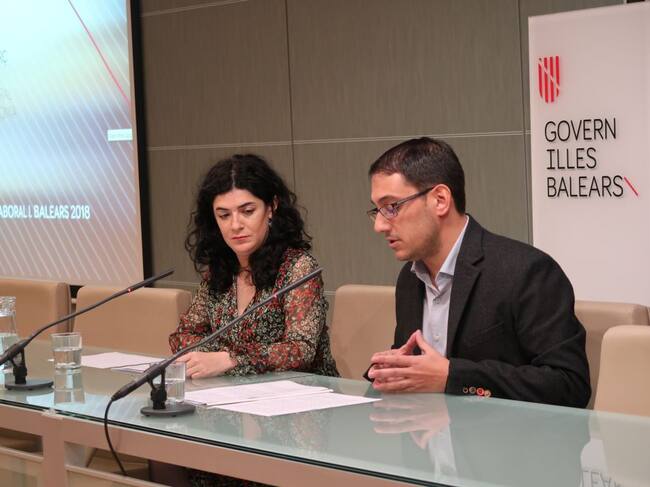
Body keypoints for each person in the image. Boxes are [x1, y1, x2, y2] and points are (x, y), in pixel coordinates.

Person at [366, 137, 590, 407]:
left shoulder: (525, 271)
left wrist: (452, 376)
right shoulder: (410, 278)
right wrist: (391, 371)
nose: (379, 225)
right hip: (425, 430)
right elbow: (419, 373)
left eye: (391, 207)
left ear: (440, 200)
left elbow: (569, 385)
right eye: (377, 210)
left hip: (506, 433)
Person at [169, 154, 338, 379]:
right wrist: (216, 359)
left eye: (247, 211)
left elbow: (300, 350)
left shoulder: (298, 268)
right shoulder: (220, 269)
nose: (235, 225)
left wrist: (230, 360)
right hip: (234, 392)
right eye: (224, 215)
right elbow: (183, 335)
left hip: (303, 392)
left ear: (272, 207)